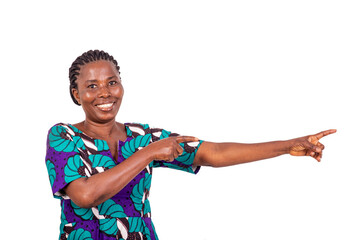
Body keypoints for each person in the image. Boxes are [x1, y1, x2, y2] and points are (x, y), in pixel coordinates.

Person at [45, 50, 336, 240]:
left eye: (112, 82)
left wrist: (287, 146)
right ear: (76, 94)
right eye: (92, 86)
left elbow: (213, 153)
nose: (104, 93)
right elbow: (84, 195)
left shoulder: (142, 135)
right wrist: (149, 154)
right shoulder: (63, 135)